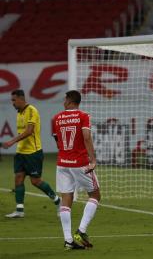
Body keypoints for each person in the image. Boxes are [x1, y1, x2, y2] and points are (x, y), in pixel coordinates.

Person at [52, 90, 101, 249]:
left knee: (66, 198)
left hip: (62, 162)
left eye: (65, 99)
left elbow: (57, 140)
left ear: (71, 101)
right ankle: (81, 230)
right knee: (95, 194)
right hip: (79, 162)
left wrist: (65, 153)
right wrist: (92, 159)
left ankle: (68, 240)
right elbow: (86, 137)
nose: (63, 101)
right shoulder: (83, 116)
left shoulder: (57, 118)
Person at [1, 89, 60, 218]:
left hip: (33, 153)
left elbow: (29, 131)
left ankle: (57, 200)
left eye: (14, 100)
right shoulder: (19, 113)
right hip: (20, 153)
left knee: (35, 181)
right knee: (18, 178)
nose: (12, 103)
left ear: (21, 99)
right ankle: (19, 210)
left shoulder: (32, 110)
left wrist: (11, 142)